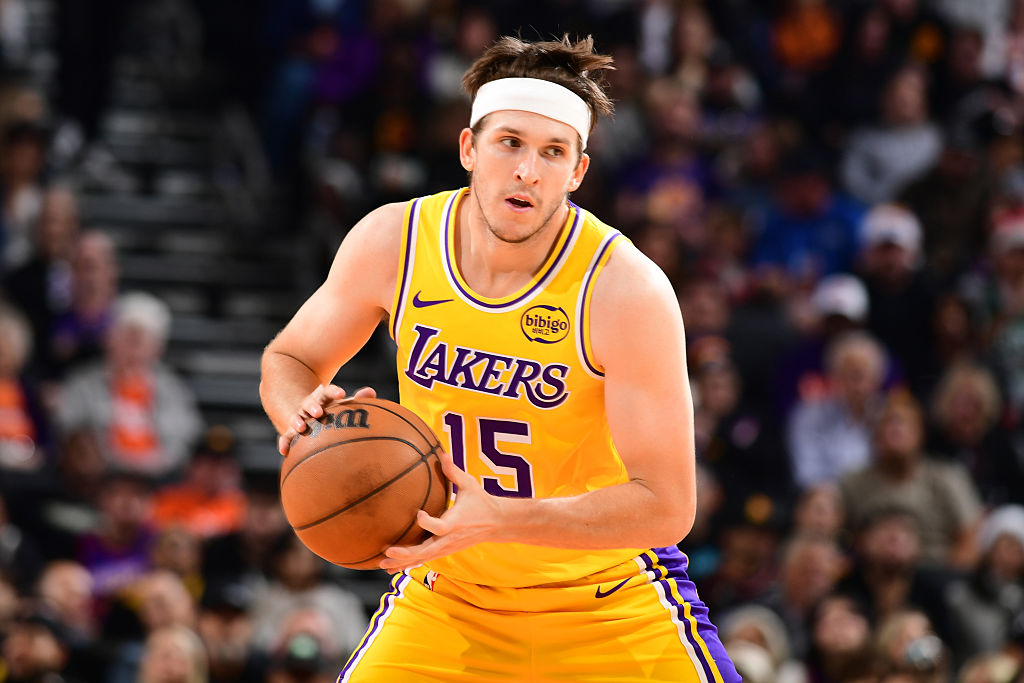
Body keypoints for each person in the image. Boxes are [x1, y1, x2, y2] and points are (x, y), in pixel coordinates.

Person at [260, 34, 739, 683]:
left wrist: (501, 518)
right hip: (447, 599)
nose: (526, 171)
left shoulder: (624, 289)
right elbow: (291, 356)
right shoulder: (393, 241)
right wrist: (300, 411)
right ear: (469, 148)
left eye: (552, 152)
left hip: (609, 603)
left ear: (577, 172)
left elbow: (669, 506)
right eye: (510, 142)